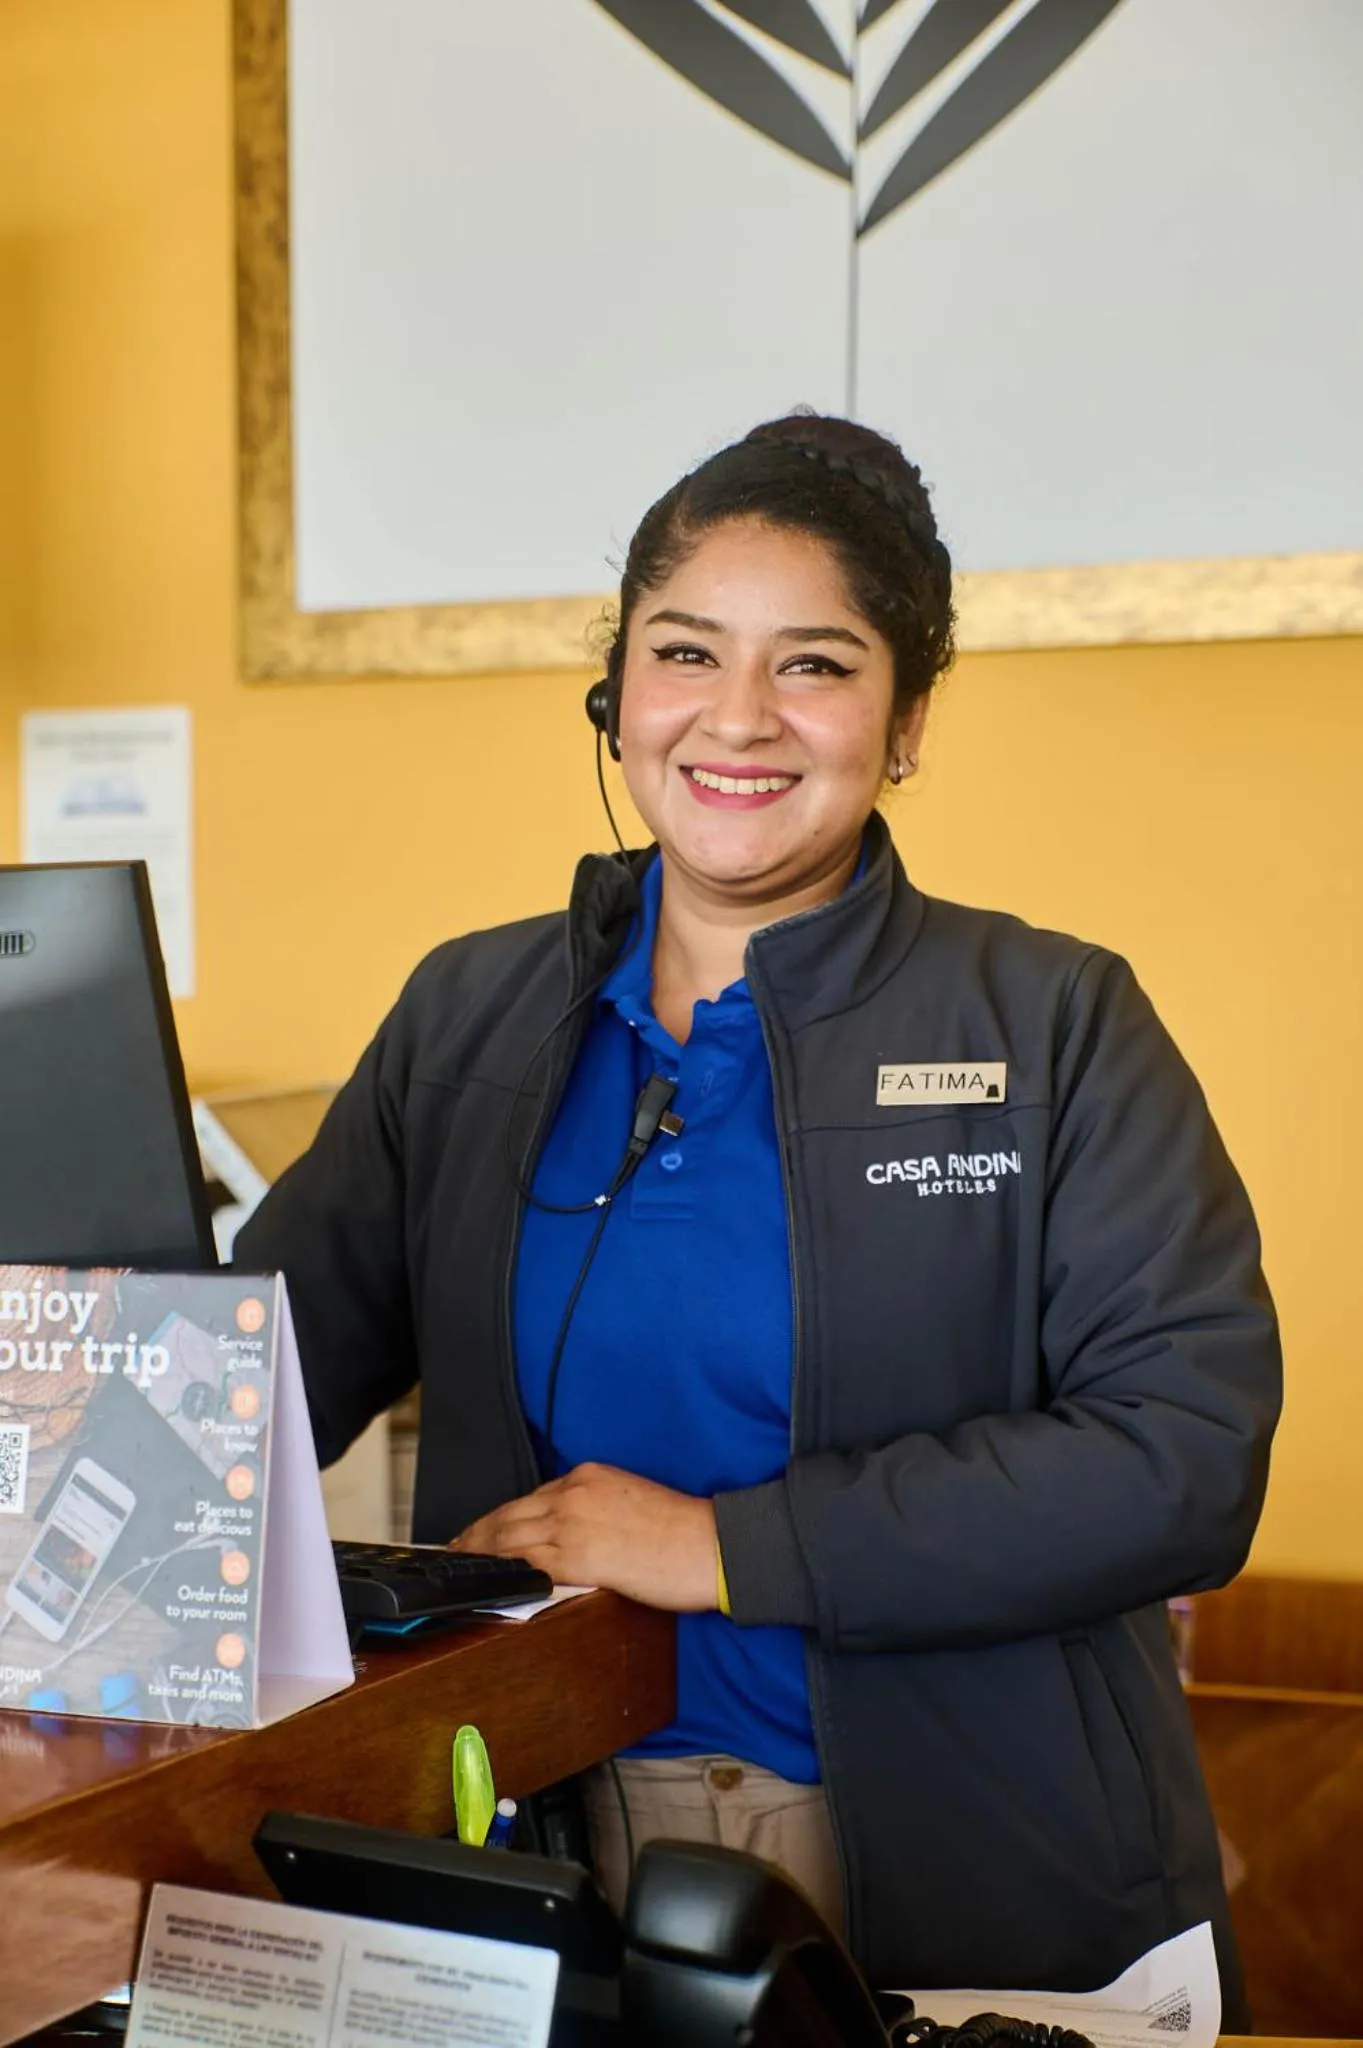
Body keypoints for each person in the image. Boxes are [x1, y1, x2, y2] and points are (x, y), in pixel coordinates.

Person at [235, 413, 1280, 2016]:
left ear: (906, 717)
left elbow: (1180, 1456)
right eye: (684, 652)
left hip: (966, 1864)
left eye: (813, 664)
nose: (737, 718)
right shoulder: (468, 1018)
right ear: (615, 692)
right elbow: (247, 1384)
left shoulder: (1051, 1020)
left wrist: (722, 1542)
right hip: (531, 1842)